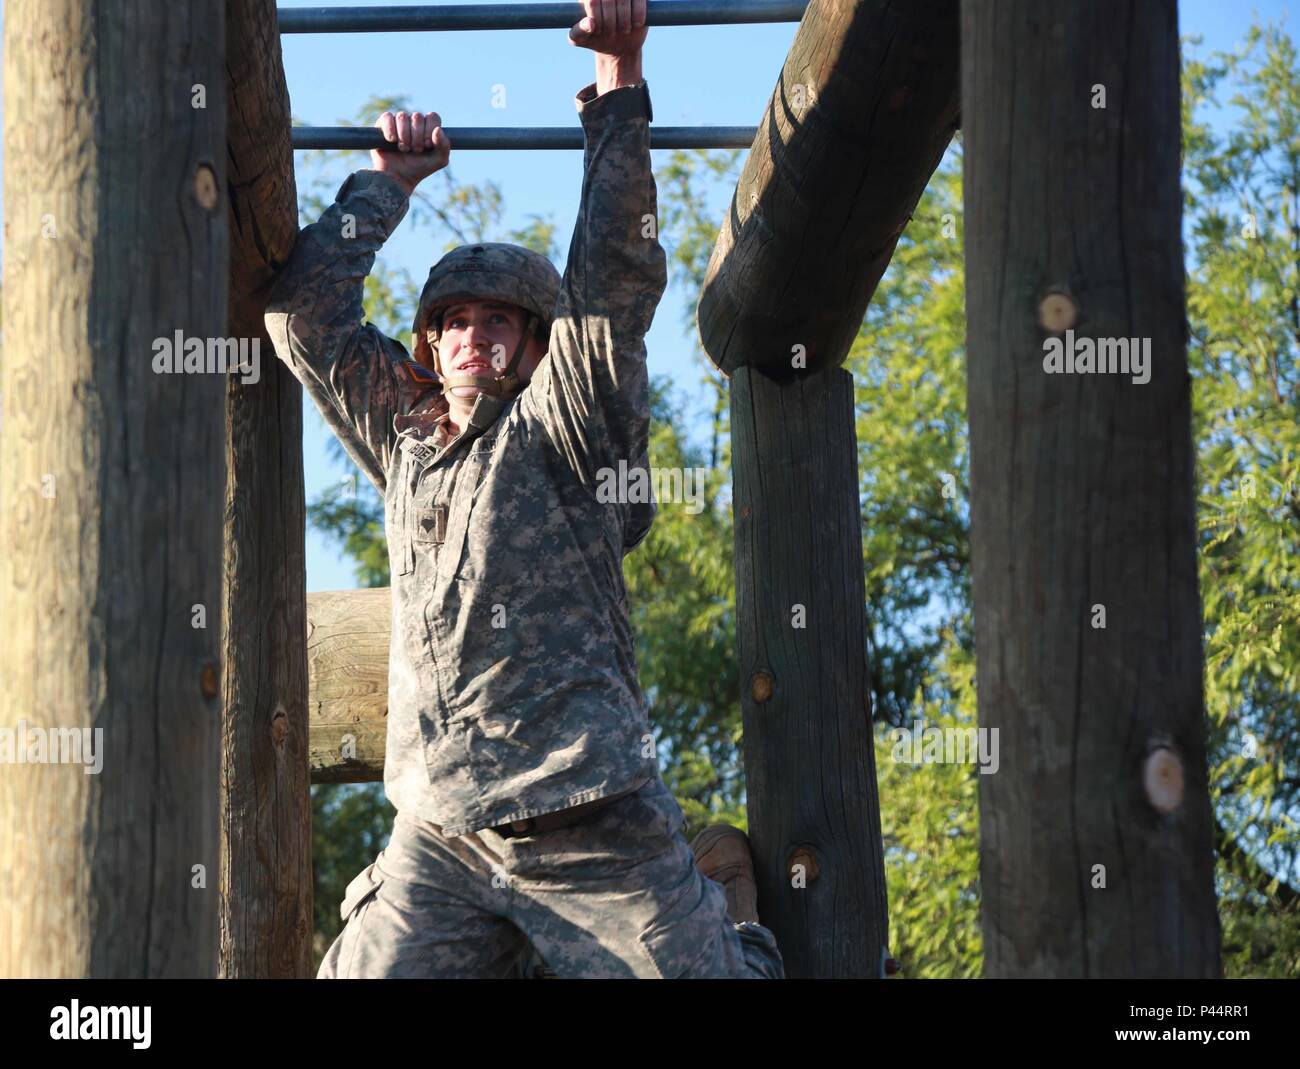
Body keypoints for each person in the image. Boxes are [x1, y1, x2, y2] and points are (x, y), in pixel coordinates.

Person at [266, 0, 784, 979]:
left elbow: (612, 282)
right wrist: (384, 184)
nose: (474, 334)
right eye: (453, 319)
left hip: (586, 810)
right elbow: (301, 318)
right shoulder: (408, 437)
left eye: (502, 320)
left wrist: (619, 87)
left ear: (539, 344)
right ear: (428, 347)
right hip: (445, 827)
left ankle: (738, 933)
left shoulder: (564, 427)